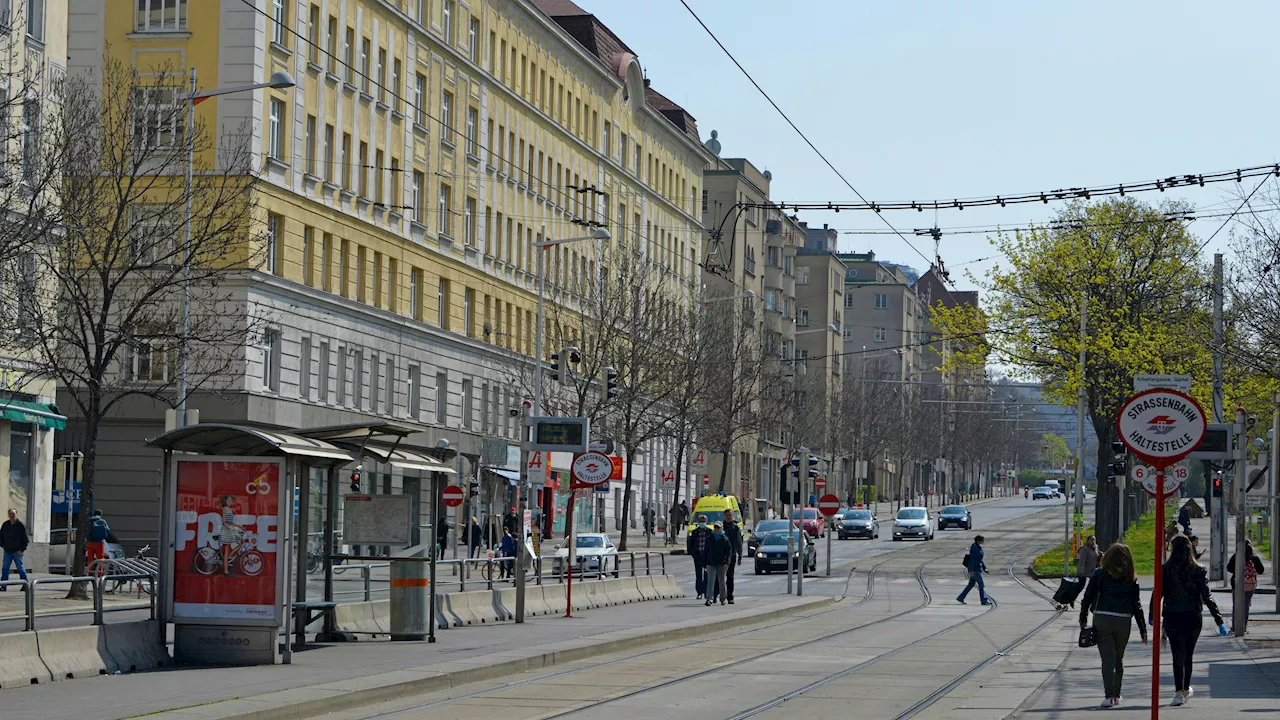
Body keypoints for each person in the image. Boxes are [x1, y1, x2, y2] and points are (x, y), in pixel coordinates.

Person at [1154, 535, 1226, 706]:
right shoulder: (1199, 569)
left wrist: (1152, 616)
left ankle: (1179, 691)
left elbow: (1158, 594)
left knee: (1177, 654)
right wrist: (1219, 620)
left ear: (1173, 548)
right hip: (1193, 616)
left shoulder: (1165, 569)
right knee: (1188, 654)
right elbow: (1206, 596)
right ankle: (1185, 689)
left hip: (1172, 616)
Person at [1080, 543, 1147, 709]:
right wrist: (1143, 630)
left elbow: (1087, 597)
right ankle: (1116, 695)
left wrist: (1083, 618)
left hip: (1102, 618)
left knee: (1107, 660)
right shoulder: (1131, 578)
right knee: (1118, 659)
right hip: (1123, 621)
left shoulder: (1099, 574)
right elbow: (1136, 605)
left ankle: (1109, 696)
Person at [1227, 539, 1266, 634]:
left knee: (1236, 606)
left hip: (1236, 584)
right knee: (1245, 606)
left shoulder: (1236, 556)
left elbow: (1229, 568)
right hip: (1250, 585)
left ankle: (1235, 627)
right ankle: (1243, 627)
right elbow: (1261, 570)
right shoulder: (1254, 558)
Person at [703, 522, 732, 606]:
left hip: (721, 564)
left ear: (721, 528)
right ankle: (709, 599)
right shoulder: (709, 538)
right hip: (711, 562)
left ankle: (723, 598)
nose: (716, 529)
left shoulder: (725, 539)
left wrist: (727, 562)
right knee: (710, 581)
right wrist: (704, 564)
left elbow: (729, 552)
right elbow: (705, 551)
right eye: (715, 527)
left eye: (718, 527)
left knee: (722, 581)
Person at [0, 508, 29, 590]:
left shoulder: (21, 525)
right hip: (7, 551)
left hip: (17, 552)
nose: (11, 515)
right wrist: (3, 545)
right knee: (5, 568)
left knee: (20, 568)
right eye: (10, 514)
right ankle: (3, 586)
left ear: (16, 514)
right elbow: (1, 536)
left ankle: (25, 585)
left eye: (13, 513)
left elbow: (25, 539)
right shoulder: (5, 525)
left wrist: (21, 550)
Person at [956, 535, 990, 605]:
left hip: (977, 569)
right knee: (981, 584)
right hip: (975, 570)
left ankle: (960, 597)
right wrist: (971, 570)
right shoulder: (975, 549)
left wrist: (984, 568)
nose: (983, 542)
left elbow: (980, 560)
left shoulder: (978, 548)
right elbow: (972, 560)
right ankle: (983, 600)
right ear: (978, 541)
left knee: (971, 584)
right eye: (982, 541)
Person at [687, 514, 712, 599]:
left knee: (706, 575)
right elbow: (691, 543)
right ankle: (699, 592)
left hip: (707, 556)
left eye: (703, 521)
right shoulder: (695, 532)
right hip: (698, 556)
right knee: (698, 575)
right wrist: (693, 553)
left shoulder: (709, 532)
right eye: (700, 521)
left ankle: (705, 592)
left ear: (706, 522)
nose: (702, 523)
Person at [722, 509, 743, 605]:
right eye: (726, 515)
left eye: (730, 515)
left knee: (730, 577)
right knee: (719, 577)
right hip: (721, 555)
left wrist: (740, 555)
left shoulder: (735, 528)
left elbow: (739, 542)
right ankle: (716, 595)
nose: (728, 516)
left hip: (732, 555)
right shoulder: (720, 527)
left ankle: (730, 596)